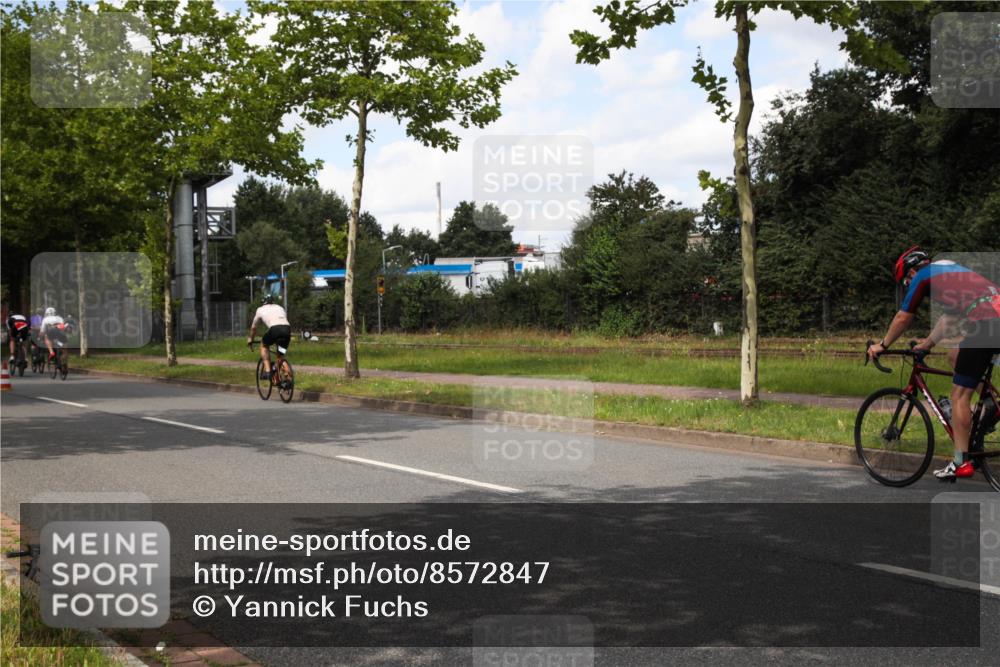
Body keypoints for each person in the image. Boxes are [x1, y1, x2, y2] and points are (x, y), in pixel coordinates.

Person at [868, 247, 1000, 481]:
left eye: (906, 281)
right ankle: (990, 403)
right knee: (955, 356)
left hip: (986, 324)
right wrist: (926, 345)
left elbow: (903, 317)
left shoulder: (924, 275)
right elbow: (949, 319)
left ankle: (960, 462)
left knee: (959, 396)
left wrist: (883, 345)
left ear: (910, 272)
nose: (909, 284)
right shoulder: (954, 274)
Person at [247, 294, 291, 380]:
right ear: (273, 301)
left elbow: (253, 328)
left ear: (263, 303)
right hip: (287, 330)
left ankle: (268, 371)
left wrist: (250, 339)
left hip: (275, 330)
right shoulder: (280, 307)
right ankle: (288, 377)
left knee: (264, 346)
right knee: (280, 356)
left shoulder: (260, 309)